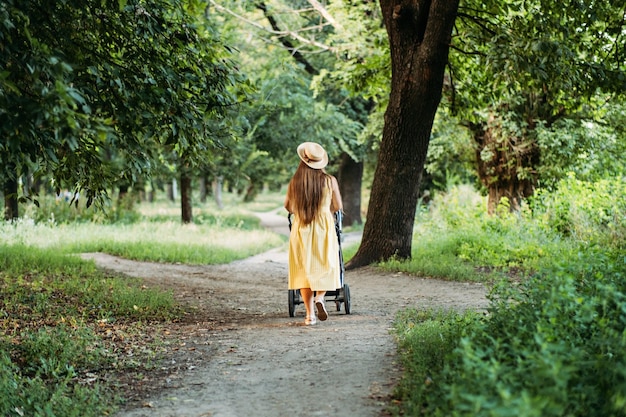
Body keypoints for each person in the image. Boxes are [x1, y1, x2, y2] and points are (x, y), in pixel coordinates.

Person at [284, 142, 344, 326]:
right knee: (327, 263)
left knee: (304, 268)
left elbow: (288, 206)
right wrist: (326, 209)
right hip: (323, 227)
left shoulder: (295, 182)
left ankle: (310, 316)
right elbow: (338, 206)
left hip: (302, 227)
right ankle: (320, 297)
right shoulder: (329, 180)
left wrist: (301, 209)